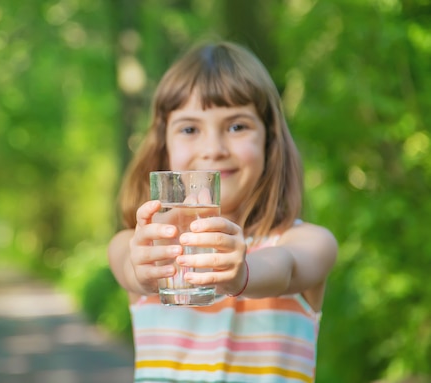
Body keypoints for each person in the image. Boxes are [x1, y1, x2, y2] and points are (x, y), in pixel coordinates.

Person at [107, 40, 338, 383]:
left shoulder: (308, 241)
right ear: (163, 145)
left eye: (236, 126)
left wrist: (241, 273)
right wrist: (143, 271)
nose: (213, 149)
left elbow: (286, 267)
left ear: (269, 141)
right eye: (189, 129)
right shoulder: (142, 245)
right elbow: (129, 266)